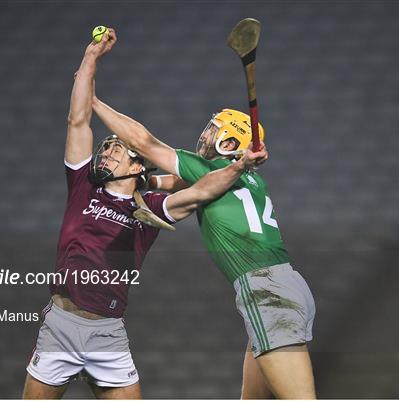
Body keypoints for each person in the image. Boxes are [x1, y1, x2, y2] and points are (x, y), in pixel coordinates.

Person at [22, 29, 269, 399]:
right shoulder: (83, 186)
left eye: (116, 150)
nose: (106, 154)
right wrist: (91, 58)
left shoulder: (148, 209)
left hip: (108, 331)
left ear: (138, 167)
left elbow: (199, 191)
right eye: (106, 150)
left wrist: (239, 166)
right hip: (61, 324)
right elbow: (77, 121)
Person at [91, 29, 316, 400]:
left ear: (229, 144)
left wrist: (93, 101)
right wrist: (144, 178)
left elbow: (143, 142)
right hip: (290, 286)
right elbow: (177, 182)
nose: (205, 135)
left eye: (214, 132)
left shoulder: (214, 168)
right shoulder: (242, 178)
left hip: (264, 290)